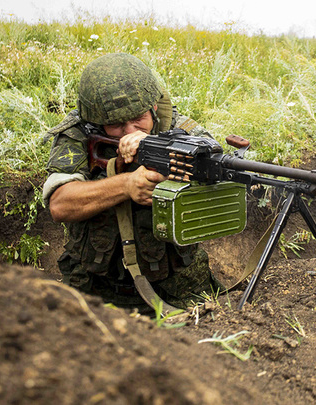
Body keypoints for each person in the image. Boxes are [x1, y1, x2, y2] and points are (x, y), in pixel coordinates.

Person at [43, 53, 224, 310]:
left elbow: (214, 158)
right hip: (93, 287)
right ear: (96, 121)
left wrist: (166, 171)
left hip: (178, 287)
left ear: (152, 106)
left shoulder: (178, 128)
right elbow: (60, 205)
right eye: (116, 125)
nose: (130, 131)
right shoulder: (79, 132)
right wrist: (125, 185)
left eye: (139, 117)